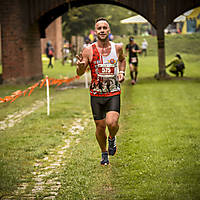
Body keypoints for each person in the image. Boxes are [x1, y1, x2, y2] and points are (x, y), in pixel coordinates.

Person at [76, 17, 126, 165]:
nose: (102, 30)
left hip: (113, 92)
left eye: (105, 28)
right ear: (95, 31)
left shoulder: (117, 48)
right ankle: (104, 153)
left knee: (112, 123)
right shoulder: (89, 50)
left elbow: (122, 60)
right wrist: (79, 66)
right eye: (99, 28)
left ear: (109, 30)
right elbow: (80, 73)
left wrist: (122, 73)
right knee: (100, 126)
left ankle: (112, 138)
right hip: (96, 94)